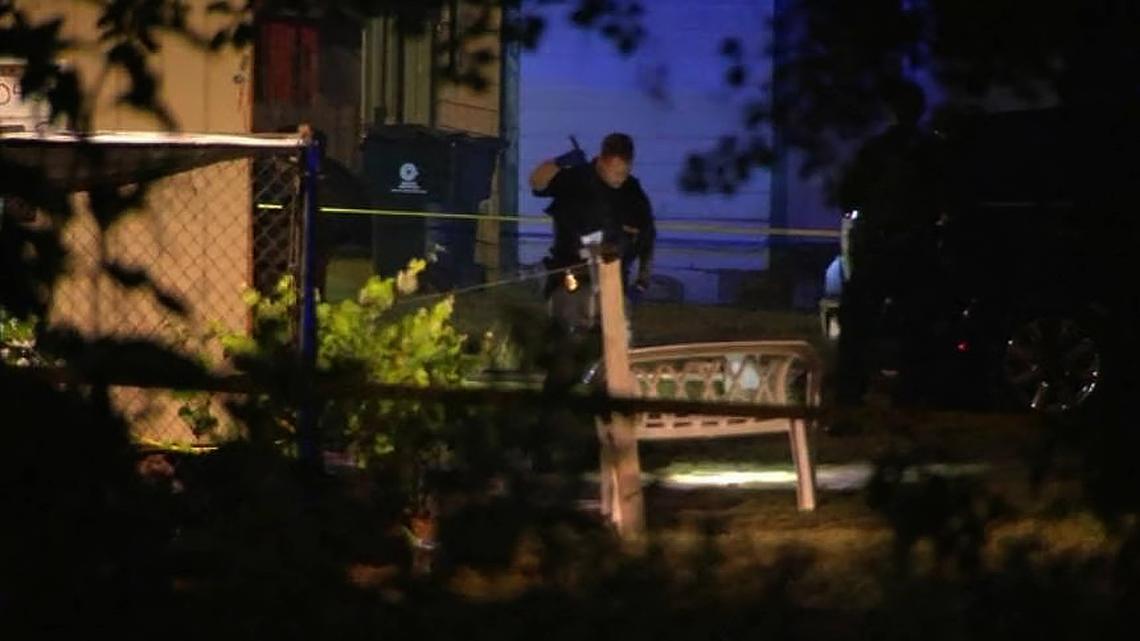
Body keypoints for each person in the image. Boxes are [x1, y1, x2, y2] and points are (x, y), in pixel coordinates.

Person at [833, 80, 947, 407]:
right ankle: (911, 398)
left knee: (858, 325)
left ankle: (850, 396)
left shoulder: (876, 150)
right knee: (916, 326)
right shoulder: (930, 151)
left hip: (878, 246)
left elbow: (848, 194)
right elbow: (947, 198)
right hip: (915, 246)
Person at [529, 133, 655, 331]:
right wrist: (559, 163)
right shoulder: (577, 179)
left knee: (612, 334)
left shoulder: (633, 194)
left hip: (612, 280)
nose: (619, 178)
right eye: (614, 172)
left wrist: (641, 283)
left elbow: (647, 239)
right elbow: (537, 183)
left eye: (625, 172)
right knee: (569, 326)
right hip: (569, 274)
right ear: (602, 161)